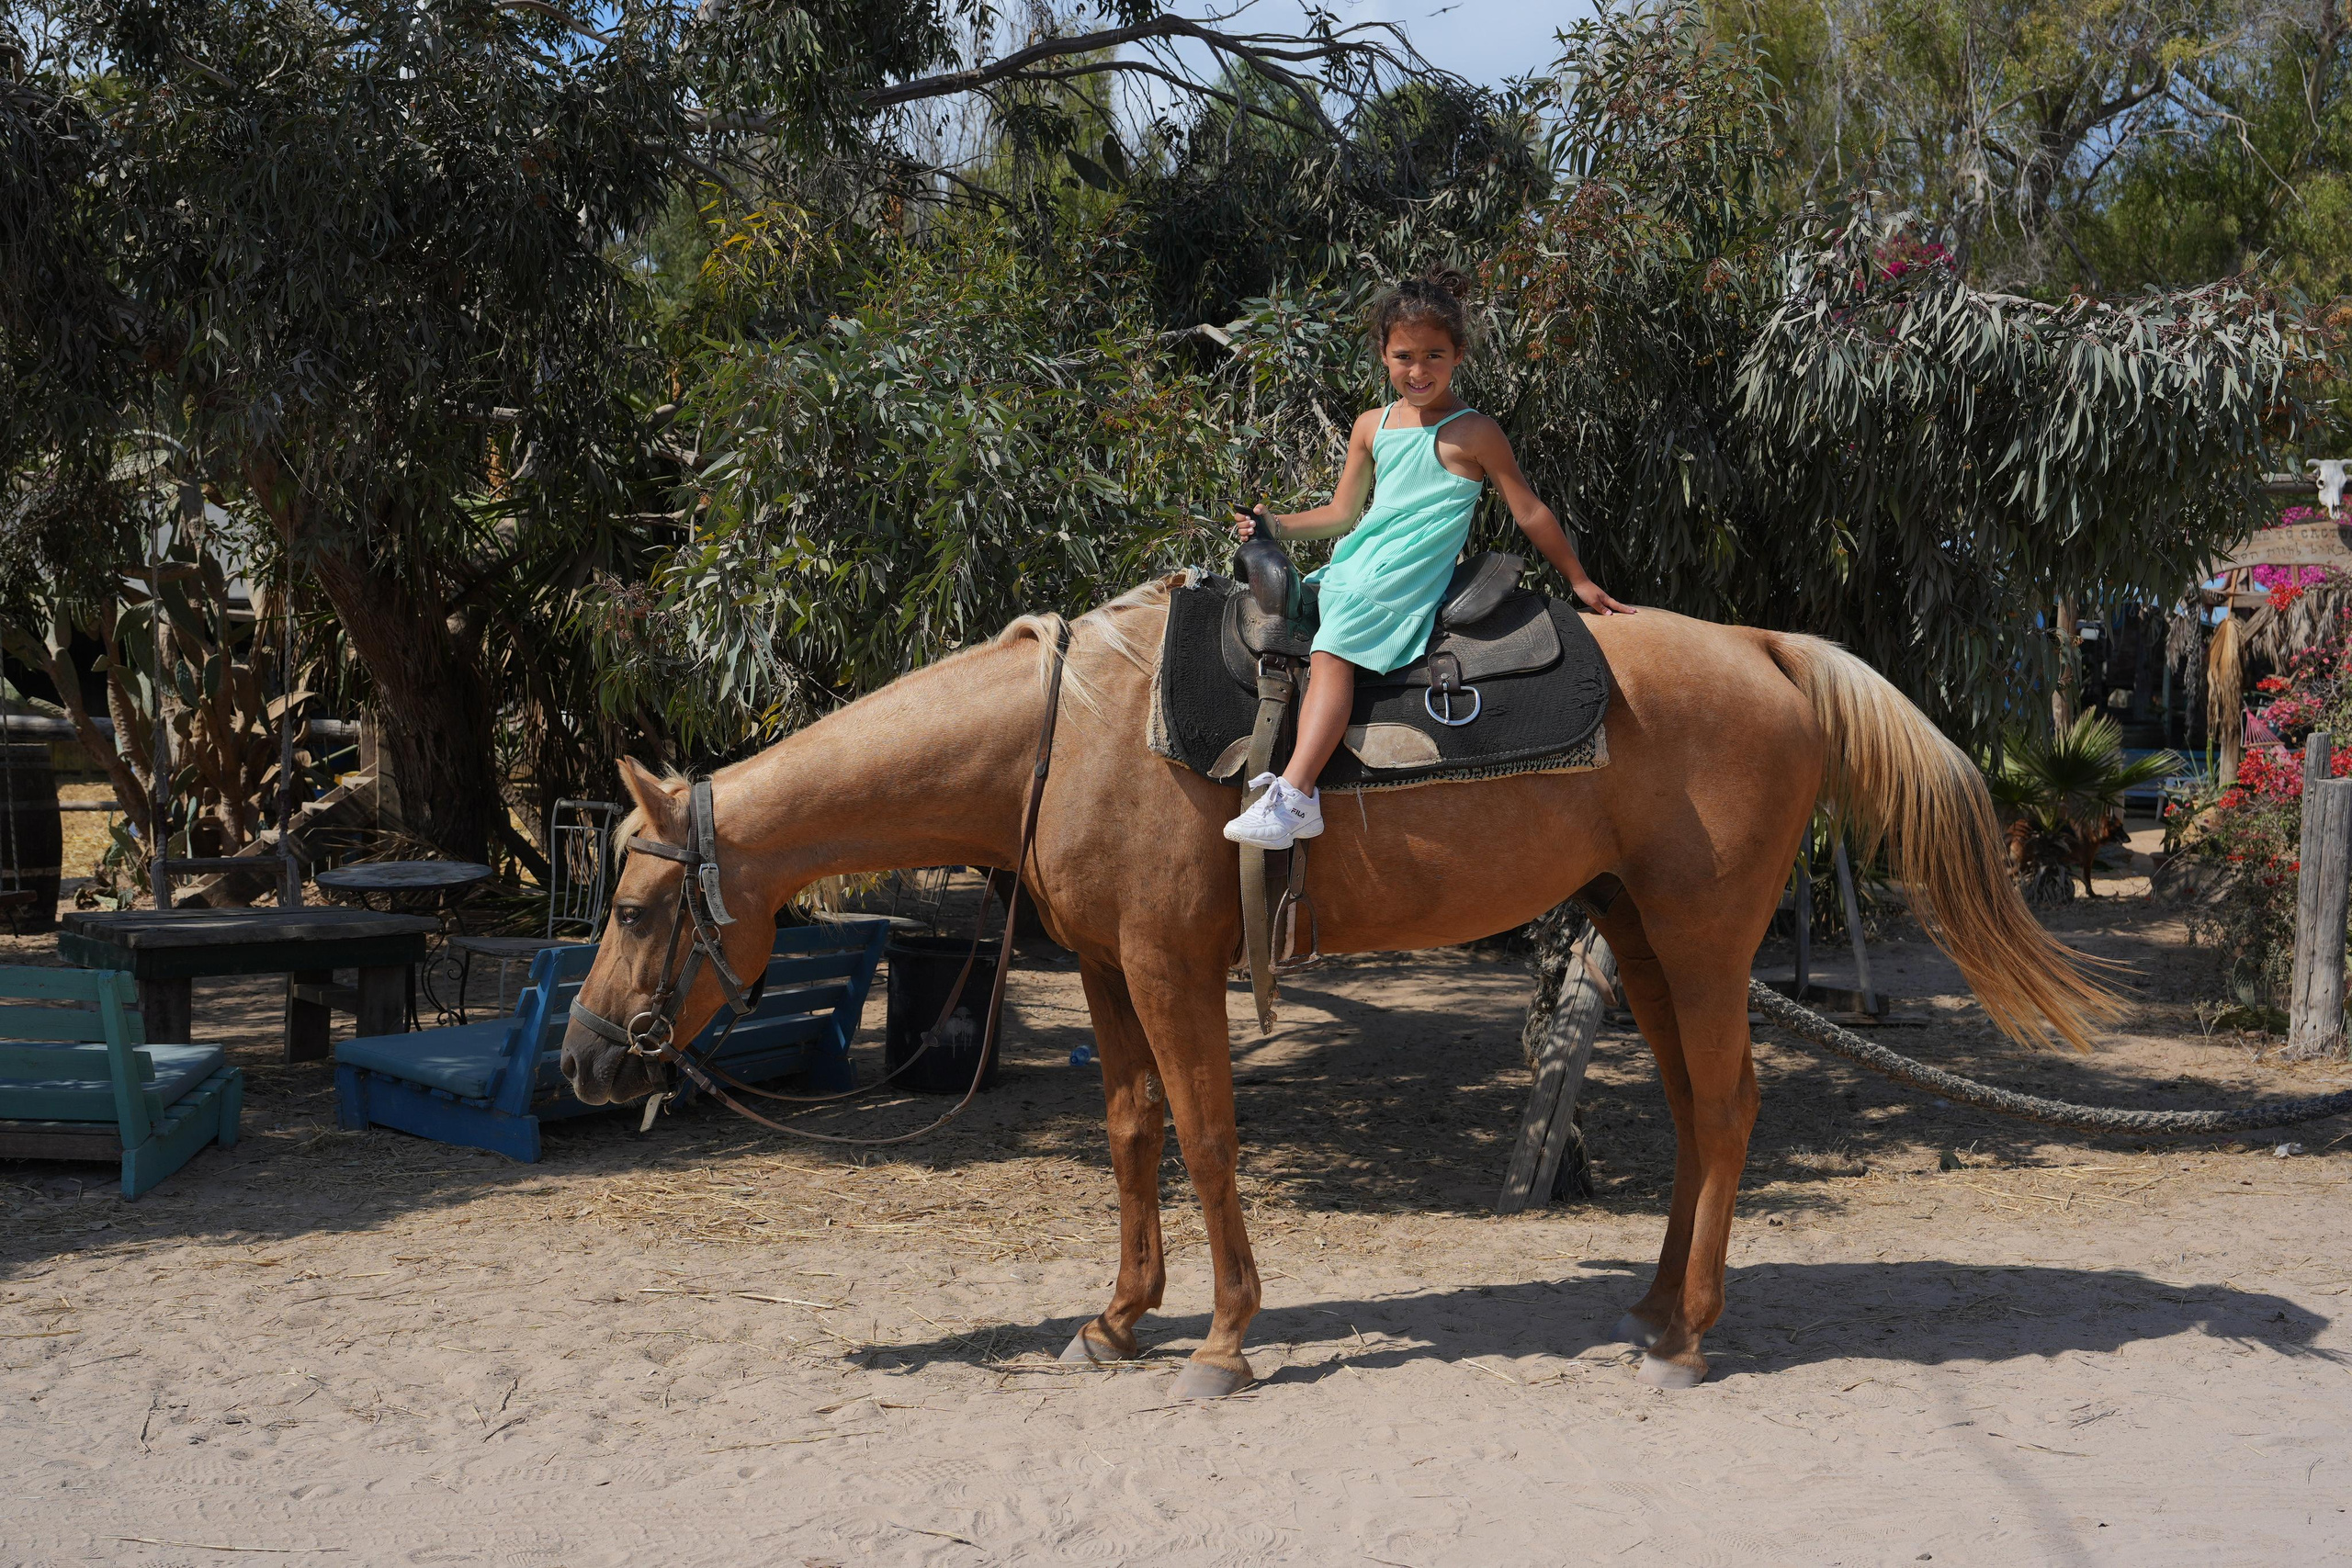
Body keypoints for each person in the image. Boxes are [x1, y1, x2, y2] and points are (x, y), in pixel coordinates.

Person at [1222, 269, 1636, 851]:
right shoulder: (1373, 426)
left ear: (1459, 355)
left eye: (1434, 355)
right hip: (1361, 558)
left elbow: (1529, 511)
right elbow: (1343, 513)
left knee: (1334, 647)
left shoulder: (1475, 432)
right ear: (1384, 357)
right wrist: (1275, 525)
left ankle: (1298, 793)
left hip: (1408, 571)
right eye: (1404, 357)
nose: (1419, 372)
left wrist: (1580, 580)